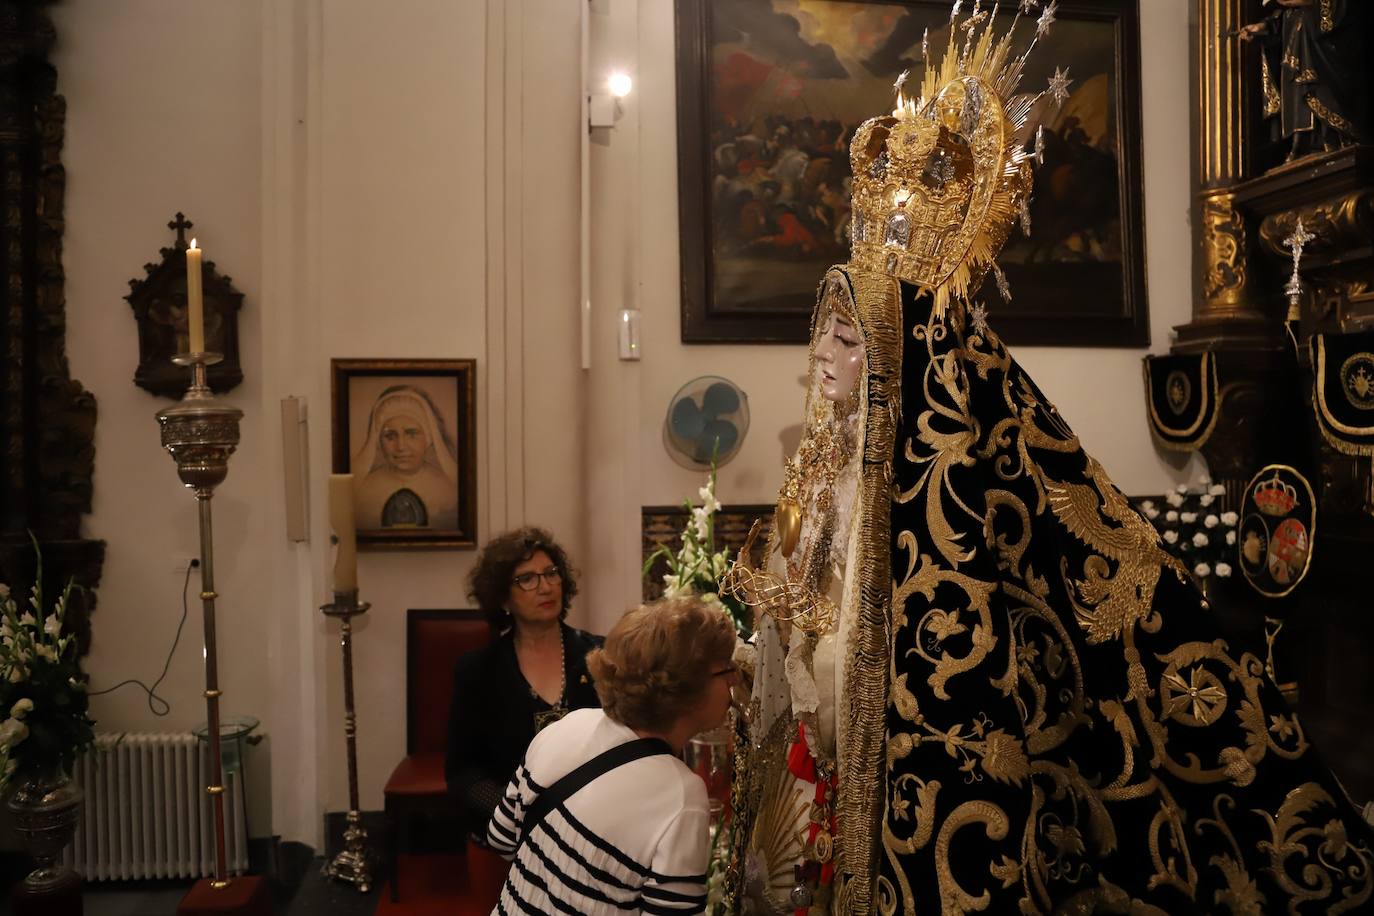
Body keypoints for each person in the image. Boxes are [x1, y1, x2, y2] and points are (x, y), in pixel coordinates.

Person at [721, 5, 1374, 914]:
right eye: (821, 335)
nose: (820, 359)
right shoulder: (830, 472)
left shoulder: (956, 480)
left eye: (844, 336)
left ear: (898, 352)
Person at [486, 596, 737, 915]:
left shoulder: (567, 725)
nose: (734, 680)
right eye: (726, 670)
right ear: (685, 690)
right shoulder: (681, 797)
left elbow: (501, 838)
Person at [445, 527, 602, 838]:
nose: (545, 587)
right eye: (527, 579)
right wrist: (509, 810)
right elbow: (462, 772)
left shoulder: (599, 657)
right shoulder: (478, 671)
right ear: (504, 598)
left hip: (596, 828)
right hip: (511, 835)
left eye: (551, 573)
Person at [1239, 0, 1370, 163]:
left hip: (1327, 49)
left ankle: (1331, 137)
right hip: (1300, 40)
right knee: (1295, 19)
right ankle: (1301, 142)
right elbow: (1285, 13)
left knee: (1304, 20)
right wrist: (1264, 26)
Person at [352, 384, 460, 529]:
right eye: (390, 436)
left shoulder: (447, 490)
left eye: (412, 434)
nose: (401, 446)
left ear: (428, 439)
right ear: (378, 442)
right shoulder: (363, 491)